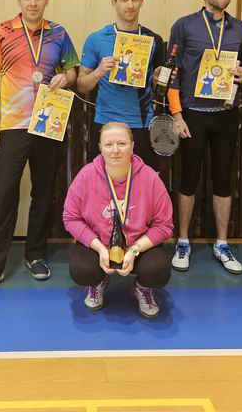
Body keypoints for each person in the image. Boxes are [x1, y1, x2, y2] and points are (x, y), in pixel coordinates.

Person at [0, 0, 79, 294]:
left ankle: (36, 255)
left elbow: (73, 70)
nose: (33, 3)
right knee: (4, 193)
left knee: (44, 192)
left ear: (46, 0)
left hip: (48, 123)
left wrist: (66, 78)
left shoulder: (58, 33)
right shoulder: (1, 32)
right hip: (13, 126)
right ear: (20, 0)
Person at [167, 0, 242, 274]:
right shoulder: (185, 25)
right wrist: (177, 114)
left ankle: (222, 244)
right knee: (189, 179)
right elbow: (172, 72)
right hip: (192, 114)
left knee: (223, 180)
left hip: (226, 114)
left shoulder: (239, 28)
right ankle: (183, 241)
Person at [63, 122, 173, 318]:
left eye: (122, 143)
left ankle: (142, 288)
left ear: (132, 146)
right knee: (82, 270)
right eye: (108, 144)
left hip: (137, 245)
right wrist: (99, 248)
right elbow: (71, 218)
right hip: (100, 244)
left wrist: (135, 249)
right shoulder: (86, 176)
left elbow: (164, 225)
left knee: (158, 270)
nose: (115, 150)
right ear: (100, 148)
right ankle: (98, 282)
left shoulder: (150, 178)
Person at [77, 0, 166, 170]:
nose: (130, 5)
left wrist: (157, 80)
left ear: (141, 2)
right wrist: (99, 71)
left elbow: (160, 88)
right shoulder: (96, 39)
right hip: (106, 122)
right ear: (114, 3)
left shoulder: (154, 40)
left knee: (146, 181)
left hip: (142, 123)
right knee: (101, 181)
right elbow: (82, 85)